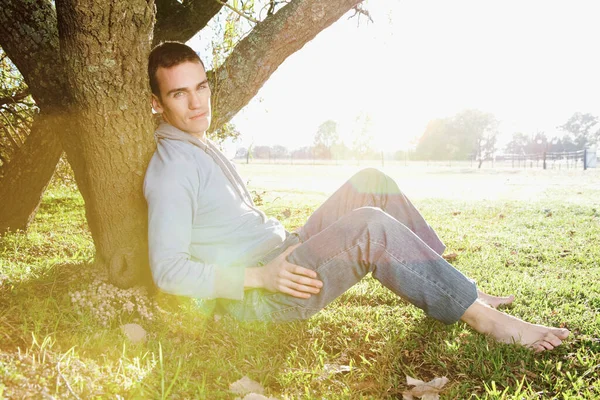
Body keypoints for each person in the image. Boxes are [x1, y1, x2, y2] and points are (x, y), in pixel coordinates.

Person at [143, 41, 569, 352]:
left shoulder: (195, 141)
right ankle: (485, 319)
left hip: (282, 252)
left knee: (370, 180)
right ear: (157, 104)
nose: (197, 103)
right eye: (180, 94)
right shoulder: (173, 168)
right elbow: (167, 270)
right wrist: (259, 278)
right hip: (265, 294)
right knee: (370, 225)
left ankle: (454, 287)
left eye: (201, 87)